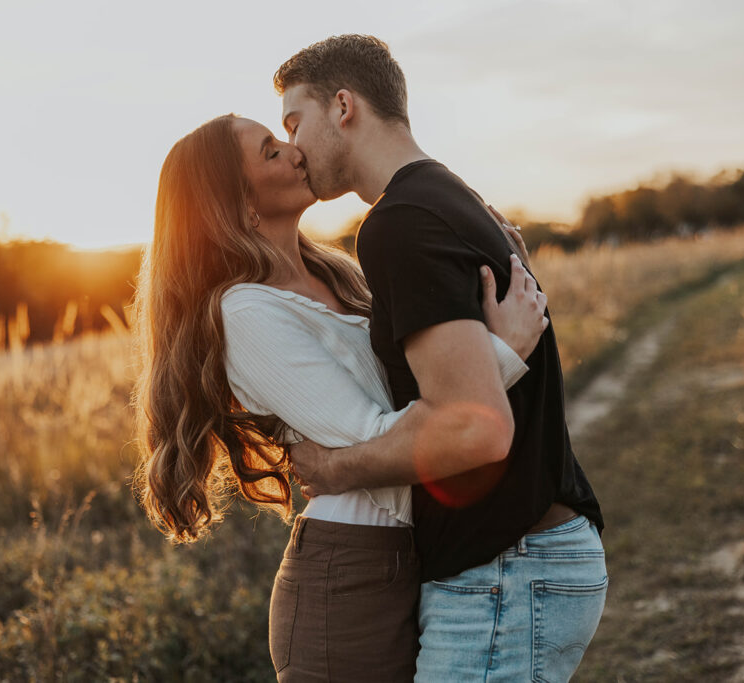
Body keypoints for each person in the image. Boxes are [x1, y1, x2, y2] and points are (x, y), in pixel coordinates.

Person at [133, 112, 547, 681]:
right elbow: (372, 439)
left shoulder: (339, 275)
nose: (296, 151)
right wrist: (506, 353)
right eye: (271, 151)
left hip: (404, 559)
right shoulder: (246, 312)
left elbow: (423, 385)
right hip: (346, 577)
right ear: (237, 202)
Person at [277, 35, 607, 681]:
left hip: (507, 570)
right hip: (518, 561)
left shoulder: (400, 223)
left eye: (295, 122)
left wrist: (338, 468)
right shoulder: (445, 197)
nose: (292, 147)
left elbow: (473, 425)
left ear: (343, 105)